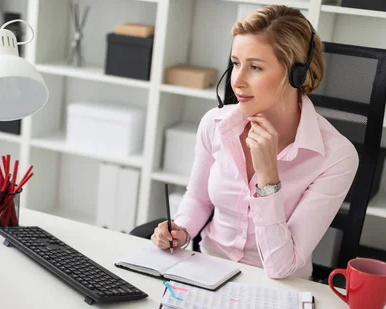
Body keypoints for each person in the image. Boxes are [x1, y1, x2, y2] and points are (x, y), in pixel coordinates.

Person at [151, 5, 359, 280]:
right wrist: (181, 229)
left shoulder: (336, 156)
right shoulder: (216, 125)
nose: (237, 81)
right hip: (204, 274)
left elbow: (282, 267)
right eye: (236, 63)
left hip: (279, 290)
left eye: (256, 67)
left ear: (296, 73)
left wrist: (268, 177)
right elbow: (199, 198)